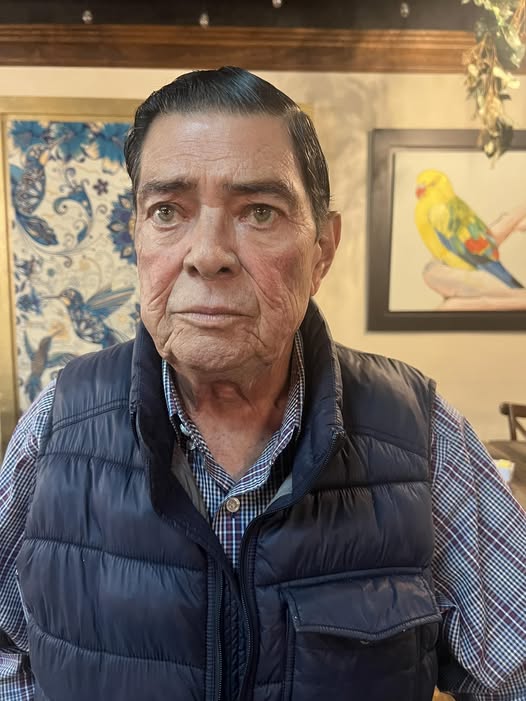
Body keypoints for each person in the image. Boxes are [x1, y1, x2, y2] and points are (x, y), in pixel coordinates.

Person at [0, 67, 525, 701]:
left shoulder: (421, 432)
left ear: (322, 249)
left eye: (258, 211)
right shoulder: (55, 426)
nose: (207, 254)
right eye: (167, 211)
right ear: (137, 235)